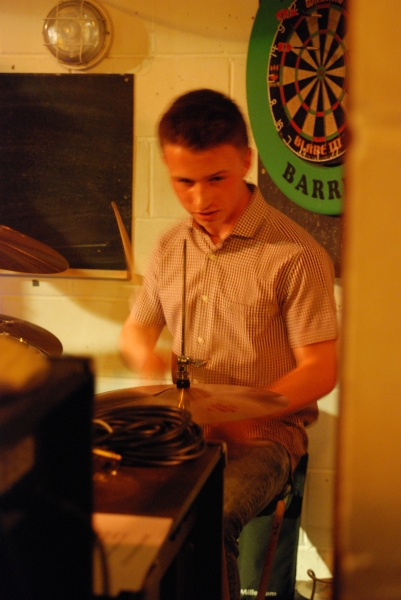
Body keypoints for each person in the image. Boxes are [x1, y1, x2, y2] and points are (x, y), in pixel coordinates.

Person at [119, 89, 338, 600]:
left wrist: (247, 410)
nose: (201, 201)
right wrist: (143, 354)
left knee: (205, 519)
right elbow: (136, 329)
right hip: (186, 428)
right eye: (184, 182)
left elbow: (320, 369)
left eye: (216, 179)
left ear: (245, 161)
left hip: (265, 435)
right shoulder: (170, 246)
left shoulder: (296, 254)